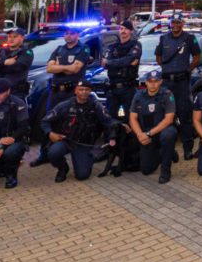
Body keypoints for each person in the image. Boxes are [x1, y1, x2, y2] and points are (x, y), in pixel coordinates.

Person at [29, 24, 91, 167]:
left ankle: (67, 153)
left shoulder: (83, 49)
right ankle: (44, 154)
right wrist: (66, 67)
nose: (68, 35)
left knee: (71, 122)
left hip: (71, 92)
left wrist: (59, 67)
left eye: (72, 33)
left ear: (78, 35)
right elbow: (49, 68)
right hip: (55, 92)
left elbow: (75, 69)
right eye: (66, 33)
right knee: (49, 120)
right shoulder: (58, 49)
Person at [41, 78, 117, 182]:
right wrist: (50, 133)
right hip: (66, 140)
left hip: (84, 143)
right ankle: (63, 168)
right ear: (75, 91)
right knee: (53, 153)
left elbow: (108, 120)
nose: (84, 92)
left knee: (82, 175)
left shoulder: (96, 106)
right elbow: (45, 121)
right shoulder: (65, 105)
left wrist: (121, 125)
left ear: (90, 91)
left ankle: (87, 158)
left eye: (86, 89)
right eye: (81, 89)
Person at [154, 14, 201, 160]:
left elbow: (197, 56)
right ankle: (170, 150)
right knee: (166, 115)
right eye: (173, 22)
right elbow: (158, 57)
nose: (175, 25)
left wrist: (187, 69)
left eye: (178, 22)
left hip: (182, 82)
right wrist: (167, 69)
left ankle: (188, 149)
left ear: (182, 24)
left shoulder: (189, 38)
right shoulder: (164, 38)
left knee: (185, 115)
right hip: (167, 82)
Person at [101, 20, 143, 175]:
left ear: (131, 31)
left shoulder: (136, 45)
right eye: (121, 28)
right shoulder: (112, 46)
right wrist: (123, 63)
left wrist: (112, 63)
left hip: (128, 89)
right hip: (113, 89)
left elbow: (126, 61)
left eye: (126, 29)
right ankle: (109, 148)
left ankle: (130, 153)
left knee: (129, 120)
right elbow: (105, 63)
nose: (123, 31)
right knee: (110, 120)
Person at [129, 69, 178, 183]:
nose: (153, 84)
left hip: (161, 131)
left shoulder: (167, 94)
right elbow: (132, 118)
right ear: (146, 82)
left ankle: (165, 171)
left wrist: (148, 134)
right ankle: (168, 152)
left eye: (156, 81)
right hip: (146, 133)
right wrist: (140, 135)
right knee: (146, 170)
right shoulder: (138, 95)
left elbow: (169, 119)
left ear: (160, 82)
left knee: (168, 135)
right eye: (150, 81)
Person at [0, 27, 34, 96]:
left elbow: (17, 67)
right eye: (9, 36)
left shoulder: (26, 52)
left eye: (15, 37)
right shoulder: (1, 51)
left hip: (16, 92)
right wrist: (4, 63)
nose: (11, 39)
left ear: (22, 38)